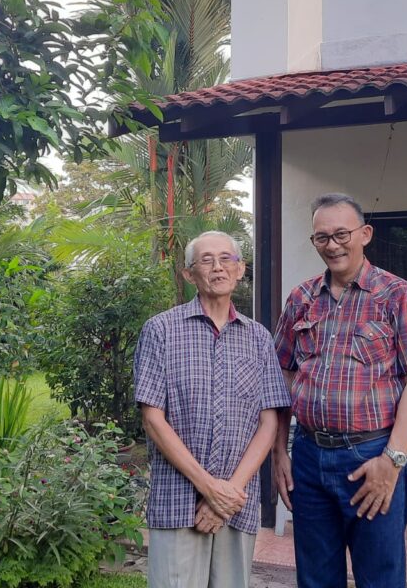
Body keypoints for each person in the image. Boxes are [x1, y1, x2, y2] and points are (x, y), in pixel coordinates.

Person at [273, 193, 407, 588]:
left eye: (341, 234)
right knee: (315, 579)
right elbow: (282, 376)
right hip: (308, 458)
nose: (332, 245)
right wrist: (280, 453)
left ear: (365, 234)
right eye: (322, 237)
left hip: (371, 456)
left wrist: (392, 460)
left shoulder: (398, 295)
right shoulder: (301, 298)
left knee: (379, 578)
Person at [134, 231, 291, 588]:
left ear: (240, 269)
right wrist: (209, 488)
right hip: (178, 503)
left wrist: (227, 495)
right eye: (206, 260)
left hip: (236, 503)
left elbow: (268, 423)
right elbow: (153, 419)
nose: (217, 267)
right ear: (189, 274)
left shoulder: (259, 338)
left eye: (226, 259)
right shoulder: (161, 330)